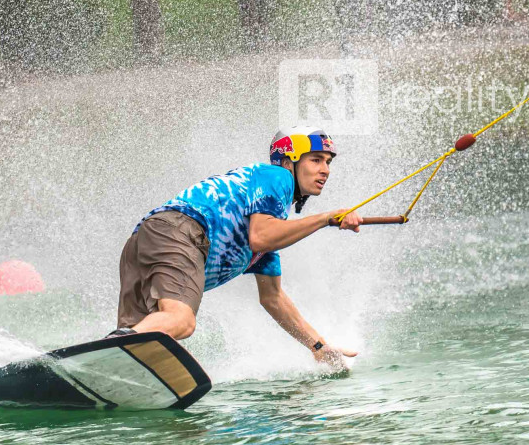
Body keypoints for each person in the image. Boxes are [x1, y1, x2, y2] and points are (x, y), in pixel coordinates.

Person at [111, 126, 363, 370]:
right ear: (289, 162)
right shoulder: (278, 177)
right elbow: (261, 236)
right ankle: (113, 350)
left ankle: (101, 368)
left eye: (328, 162)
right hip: (181, 230)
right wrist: (324, 218)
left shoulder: (263, 218)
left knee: (141, 343)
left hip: (146, 237)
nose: (325, 170)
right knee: (181, 321)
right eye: (316, 160)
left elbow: (272, 298)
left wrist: (318, 346)